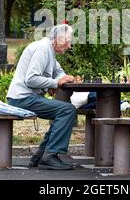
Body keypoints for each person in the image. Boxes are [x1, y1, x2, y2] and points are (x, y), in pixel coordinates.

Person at [6, 24, 77, 170]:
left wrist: (65, 78)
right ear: (58, 39)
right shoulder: (43, 49)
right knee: (67, 110)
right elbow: (31, 79)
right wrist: (55, 82)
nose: (69, 46)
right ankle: (50, 156)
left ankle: (41, 155)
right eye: (68, 41)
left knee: (62, 112)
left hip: (27, 98)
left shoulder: (49, 50)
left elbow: (58, 71)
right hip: (22, 98)